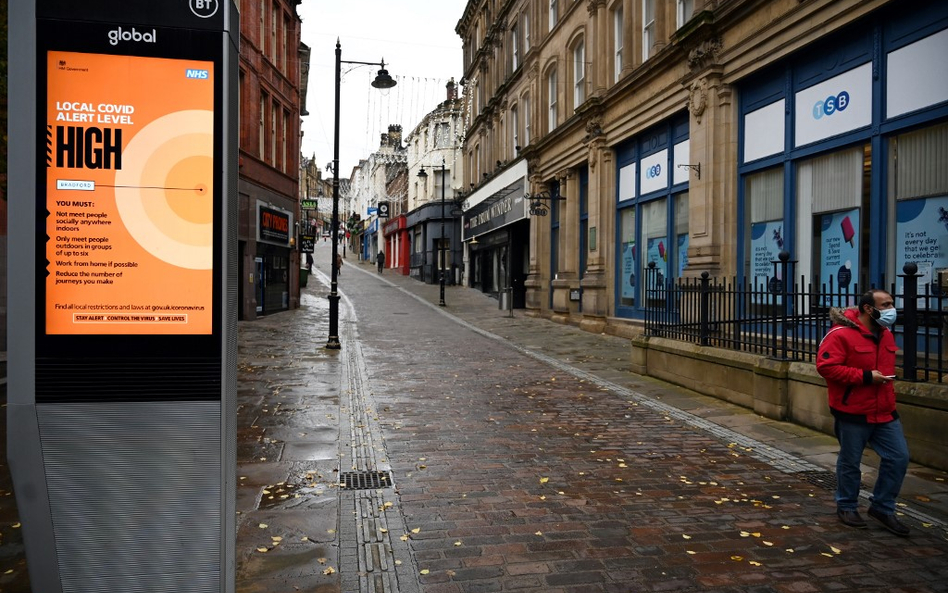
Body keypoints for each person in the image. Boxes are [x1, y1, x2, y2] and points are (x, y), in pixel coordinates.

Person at [816, 289, 909, 536]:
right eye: (886, 304)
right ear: (869, 308)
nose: (892, 308)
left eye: (891, 303)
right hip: (853, 410)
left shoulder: (886, 334)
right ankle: (846, 505)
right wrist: (866, 377)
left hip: (885, 410)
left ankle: (882, 507)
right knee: (850, 462)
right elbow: (826, 367)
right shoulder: (841, 334)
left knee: (899, 458)